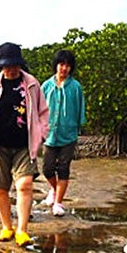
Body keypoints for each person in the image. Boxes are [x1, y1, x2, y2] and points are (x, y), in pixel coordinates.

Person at [0, 42, 49, 247]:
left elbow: (43, 112)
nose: (11, 69)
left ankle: (22, 230)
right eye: (6, 65)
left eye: (14, 65)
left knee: (25, 185)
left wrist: (41, 134)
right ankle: (7, 227)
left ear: (20, 64)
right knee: (1, 188)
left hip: (25, 145)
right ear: (0, 66)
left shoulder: (31, 83)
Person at [40, 49, 85, 217]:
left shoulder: (75, 87)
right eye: (61, 64)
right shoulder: (46, 86)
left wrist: (79, 127)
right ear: (56, 66)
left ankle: (58, 202)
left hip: (68, 135)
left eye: (67, 65)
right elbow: (39, 108)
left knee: (64, 168)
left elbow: (80, 108)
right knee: (48, 168)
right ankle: (54, 189)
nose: (64, 68)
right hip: (49, 134)